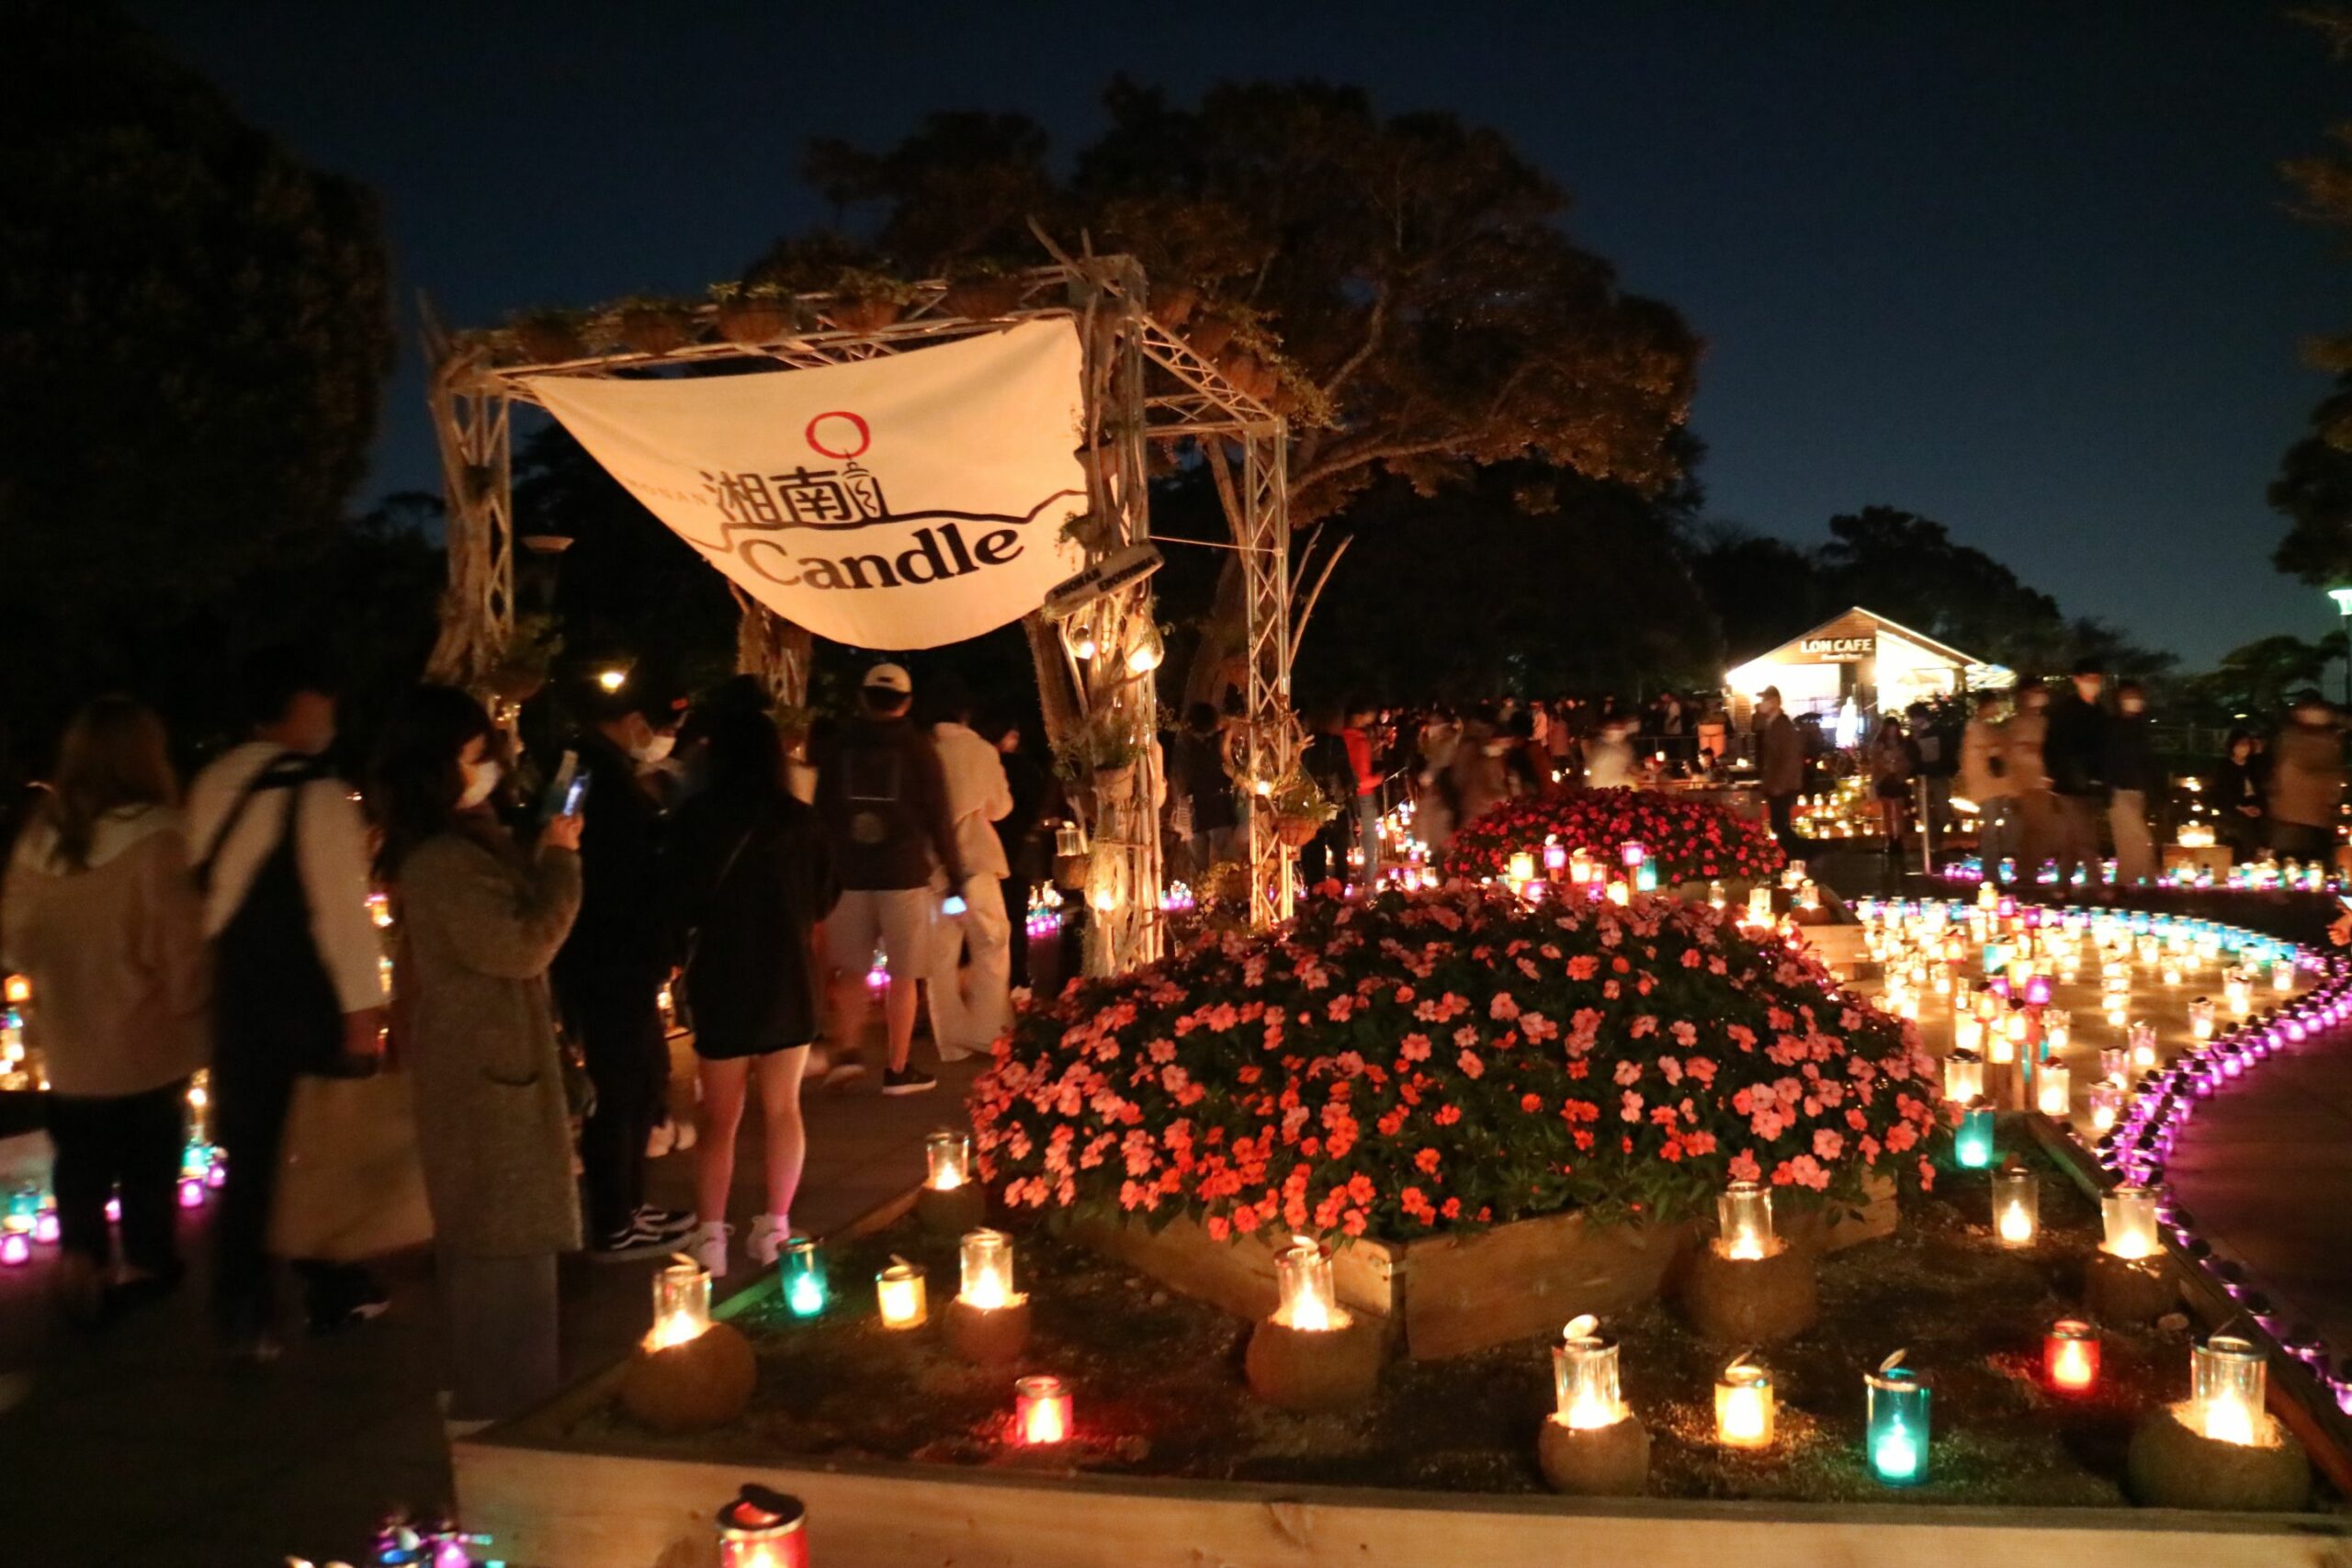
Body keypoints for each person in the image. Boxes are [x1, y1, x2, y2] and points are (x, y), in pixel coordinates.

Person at [370, 685, 582, 1425]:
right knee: (504, 1264)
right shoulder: (442, 861)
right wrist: (559, 862)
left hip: (491, 1072)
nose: (488, 767)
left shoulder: (459, 847)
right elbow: (522, 944)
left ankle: (501, 1415)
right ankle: (506, 1429)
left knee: (506, 1259)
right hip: (485, 1084)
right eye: (473, 755)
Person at [187, 647, 390, 1349]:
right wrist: (363, 1013)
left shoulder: (213, 783)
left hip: (235, 991)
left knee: (250, 1151)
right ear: (303, 705)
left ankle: (241, 1305)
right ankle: (336, 1287)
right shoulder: (314, 791)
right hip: (305, 996)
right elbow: (341, 912)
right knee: (319, 1148)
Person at [2, 698, 209, 1325]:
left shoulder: (44, 839)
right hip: (146, 1042)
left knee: (81, 1162)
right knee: (149, 1163)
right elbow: (184, 950)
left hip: (69, 1043)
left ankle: (80, 1258)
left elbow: (15, 939)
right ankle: (145, 1265)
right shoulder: (157, 840)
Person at [669, 705, 837, 1279]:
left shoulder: (693, 819)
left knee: (720, 1118)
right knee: (784, 1108)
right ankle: (775, 1228)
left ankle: (711, 1239)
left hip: (722, 979)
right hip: (787, 979)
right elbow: (823, 899)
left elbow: (681, 901)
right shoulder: (800, 821)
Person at [550, 682, 690, 1260]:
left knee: (637, 1077)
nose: (662, 740)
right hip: (610, 952)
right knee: (621, 1082)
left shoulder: (574, 767)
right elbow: (616, 869)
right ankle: (614, 1219)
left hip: (597, 949)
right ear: (633, 719)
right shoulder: (597, 775)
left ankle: (629, 1205)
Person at [813, 663, 965, 1095]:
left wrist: (822, 873)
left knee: (852, 972)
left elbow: (822, 814)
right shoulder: (919, 750)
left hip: (848, 876)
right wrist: (955, 878)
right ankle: (897, 1069)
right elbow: (940, 818)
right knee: (903, 974)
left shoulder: (839, 747)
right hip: (904, 875)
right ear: (907, 702)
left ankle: (847, 1053)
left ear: (862, 698)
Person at [922, 674, 1013, 1060]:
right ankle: (988, 1029)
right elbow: (1001, 807)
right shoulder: (979, 751)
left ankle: (950, 1040)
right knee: (991, 943)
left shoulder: (922, 750)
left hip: (931, 870)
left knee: (940, 957)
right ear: (964, 713)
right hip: (976, 861)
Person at [985, 715, 1050, 990]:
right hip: (1019, 850)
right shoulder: (1023, 768)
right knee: (1015, 918)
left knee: (990, 920)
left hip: (989, 850)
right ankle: (1018, 978)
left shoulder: (985, 766)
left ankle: (993, 978)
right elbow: (1035, 806)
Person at [2044, 660, 2109, 892]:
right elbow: (2052, 745)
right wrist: (2051, 773)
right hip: (2068, 783)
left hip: (2092, 785)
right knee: (2086, 837)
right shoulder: (2065, 711)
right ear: (2077, 680)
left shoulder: (2100, 711)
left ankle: (2061, 886)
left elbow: (2103, 749)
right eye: (2088, 678)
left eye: (2097, 679)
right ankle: (2100, 886)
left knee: (2073, 839)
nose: (2093, 684)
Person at [2267, 693, 2346, 861]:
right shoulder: (2327, 742)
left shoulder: (2291, 739)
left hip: (2297, 818)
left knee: (2294, 869)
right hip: (2302, 819)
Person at [1172, 702, 1238, 886]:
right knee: (1226, 861)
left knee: (1198, 864)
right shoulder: (1220, 739)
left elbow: (1179, 776)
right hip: (1219, 805)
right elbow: (1228, 724)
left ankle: (1202, 904)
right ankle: (1228, 900)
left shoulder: (1184, 743)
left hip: (1195, 808)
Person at [2104, 681, 2159, 887]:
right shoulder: (2112, 726)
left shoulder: (2140, 727)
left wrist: (2153, 787)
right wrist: (2107, 787)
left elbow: (2148, 760)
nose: (2134, 701)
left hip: (2138, 789)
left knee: (2132, 836)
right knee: (2134, 834)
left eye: (2136, 696)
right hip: (2118, 788)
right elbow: (2107, 758)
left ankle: (2129, 879)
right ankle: (2145, 877)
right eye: (2128, 696)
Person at [1958, 691, 2015, 882]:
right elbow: (1990, 756)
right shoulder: (1978, 729)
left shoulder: (1981, 728)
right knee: (1991, 831)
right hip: (1987, 787)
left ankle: (1993, 872)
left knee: (1995, 830)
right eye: (1995, 705)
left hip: (1991, 786)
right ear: (1987, 706)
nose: (1997, 709)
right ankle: (1992, 875)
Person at [1298, 705, 1354, 890]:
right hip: (1335, 805)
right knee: (1340, 854)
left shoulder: (1306, 742)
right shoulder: (1336, 743)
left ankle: (1315, 892)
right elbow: (1346, 775)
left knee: (1313, 853)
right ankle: (1337, 895)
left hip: (1311, 805)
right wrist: (1353, 810)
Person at [2005, 679, 2054, 886]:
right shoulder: (2018, 722)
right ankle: (2026, 871)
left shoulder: (2044, 721)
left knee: (2038, 829)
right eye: (2036, 692)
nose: (2041, 696)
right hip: (2026, 783)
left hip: (2042, 782)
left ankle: (2029, 869)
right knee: (2034, 829)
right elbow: (2013, 754)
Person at [1342, 703, 1386, 886]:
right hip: (1363, 797)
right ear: (1359, 717)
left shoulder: (1341, 739)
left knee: (1347, 841)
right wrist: (1378, 779)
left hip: (1345, 797)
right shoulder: (1360, 742)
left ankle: (1342, 884)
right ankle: (1369, 886)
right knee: (1369, 843)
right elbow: (1360, 780)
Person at [1755, 687, 1804, 852]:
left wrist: (1779, 785)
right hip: (1778, 784)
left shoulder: (1782, 725)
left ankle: (1794, 855)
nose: (1762, 704)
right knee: (1779, 824)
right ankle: (1791, 855)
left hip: (1783, 786)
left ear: (1775, 702)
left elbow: (1789, 757)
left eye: (1765, 700)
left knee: (1781, 825)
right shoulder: (1773, 723)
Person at [2212, 728, 2267, 861]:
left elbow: (2260, 788)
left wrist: (2258, 806)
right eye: (2241, 745)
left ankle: (2264, 852)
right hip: (2234, 806)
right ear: (2233, 746)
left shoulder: (2253, 764)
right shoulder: (2225, 766)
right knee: (2244, 824)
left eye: (2247, 745)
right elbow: (2223, 793)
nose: (2244, 749)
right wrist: (2241, 808)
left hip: (2253, 803)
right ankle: (2255, 852)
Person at [1867, 715, 1918, 853]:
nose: (1892, 732)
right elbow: (1874, 763)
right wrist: (1885, 764)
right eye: (1890, 729)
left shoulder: (1903, 744)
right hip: (1884, 779)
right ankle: (1890, 838)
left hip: (1898, 779)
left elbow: (1908, 762)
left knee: (1899, 811)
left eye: (1894, 729)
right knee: (1887, 811)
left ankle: (1899, 838)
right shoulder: (1878, 745)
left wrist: (1898, 766)